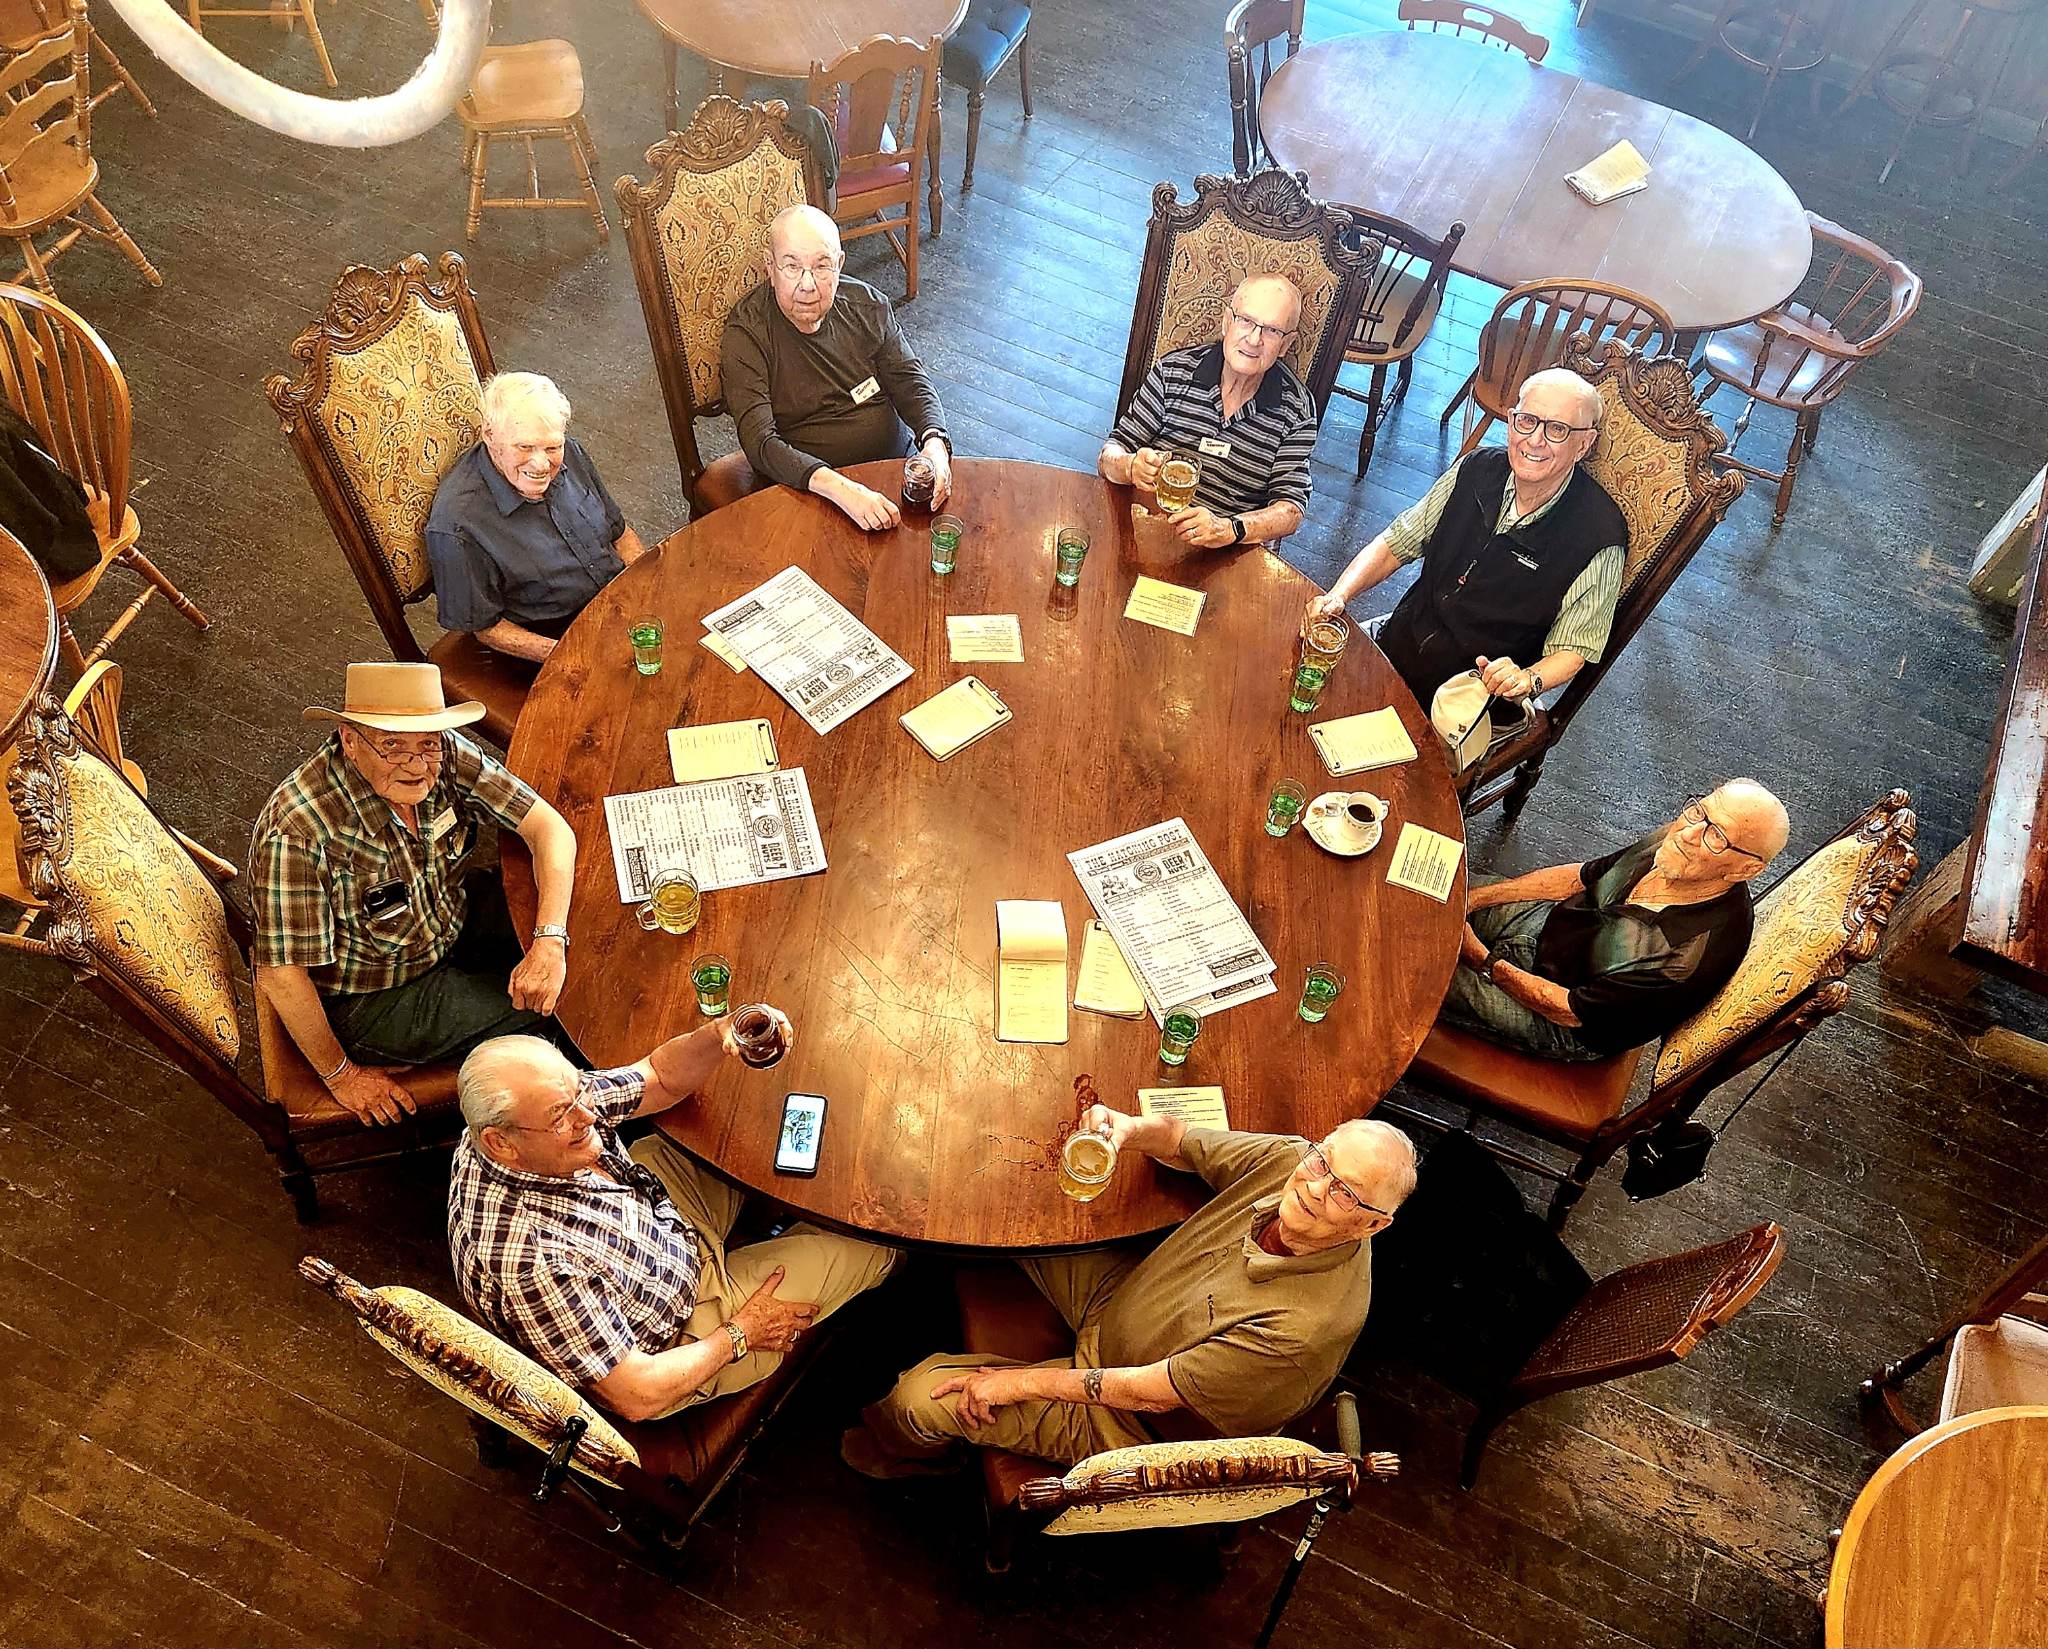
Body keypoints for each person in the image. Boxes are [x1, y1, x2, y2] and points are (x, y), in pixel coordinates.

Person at [842, 1114, 1418, 1474]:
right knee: (1013, 1205)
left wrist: (1015, 1383)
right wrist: (1129, 1130)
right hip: (1123, 1300)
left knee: (918, 1397)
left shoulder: (1301, 1330)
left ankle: (900, 1453)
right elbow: (1184, 1141)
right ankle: (886, 1259)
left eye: (1346, 1193)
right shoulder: (1294, 1161)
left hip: (1126, 1420)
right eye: (1322, 1161)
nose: (1315, 1187)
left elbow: (1146, 1393)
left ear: (1373, 1224)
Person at [448, 1022, 899, 1418]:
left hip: (654, 1224)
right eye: (561, 1117)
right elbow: (637, 1395)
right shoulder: (532, 1265)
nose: (588, 1114)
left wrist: (716, 1035)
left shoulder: (537, 1112)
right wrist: (740, 1333)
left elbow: (658, 1077)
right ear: (500, 1143)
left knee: (739, 1125)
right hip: (684, 1333)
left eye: (579, 1092)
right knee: (872, 1241)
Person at [249, 662, 578, 1127]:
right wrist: (342, 1075)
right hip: (376, 994)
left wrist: (549, 940)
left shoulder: (442, 751)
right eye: (392, 746)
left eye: (428, 744)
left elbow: (548, 826)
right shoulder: (297, 832)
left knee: (578, 938)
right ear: (349, 740)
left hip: (446, 920)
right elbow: (280, 975)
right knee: (560, 1012)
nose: (417, 765)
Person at [1307, 367, 1627, 711]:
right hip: (1399, 642)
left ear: (1584, 444)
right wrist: (1339, 595)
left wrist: (1527, 679)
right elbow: (1396, 542)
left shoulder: (1599, 534)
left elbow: (1574, 648)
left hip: (1473, 699)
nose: (1535, 440)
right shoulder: (1475, 468)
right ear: (1511, 421)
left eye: (1557, 429)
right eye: (1527, 421)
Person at [1442, 780, 1790, 1062]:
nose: (1687, 833)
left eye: (1717, 836)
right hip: (1553, 929)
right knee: (1438, 883)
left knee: (1420, 963)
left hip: (1558, 1017)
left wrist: (1482, 960)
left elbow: (1568, 1010)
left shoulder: (1682, 958)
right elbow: (1581, 877)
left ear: (1746, 869)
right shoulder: (1678, 843)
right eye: (1700, 811)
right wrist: (1477, 897)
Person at [720, 203, 952, 533]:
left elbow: (911, 382)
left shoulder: (867, 306)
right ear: (770, 267)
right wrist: (841, 489)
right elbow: (760, 443)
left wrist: (935, 444)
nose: (807, 284)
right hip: (808, 491)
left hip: (892, 472)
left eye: (821, 266)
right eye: (792, 266)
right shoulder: (748, 333)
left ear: (839, 264)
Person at [425, 372, 649, 665]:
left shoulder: (572, 452)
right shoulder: (457, 524)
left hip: (621, 602)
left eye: (552, 447)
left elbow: (620, 534)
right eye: (525, 447)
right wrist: (573, 654)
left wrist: (648, 591)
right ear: (489, 435)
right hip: (555, 640)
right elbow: (488, 628)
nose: (542, 464)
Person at [1099, 274, 1317, 551]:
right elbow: (1108, 456)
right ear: (1227, 322)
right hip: (1146, 531)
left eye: (1272, 330)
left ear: (1286, 344)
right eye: (1245, 320)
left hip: (1227, 550)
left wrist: (1230, 529)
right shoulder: (1173, 372)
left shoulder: (1298, 410)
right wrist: (1129, 466)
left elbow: (1291, 510)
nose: (1254, 339)